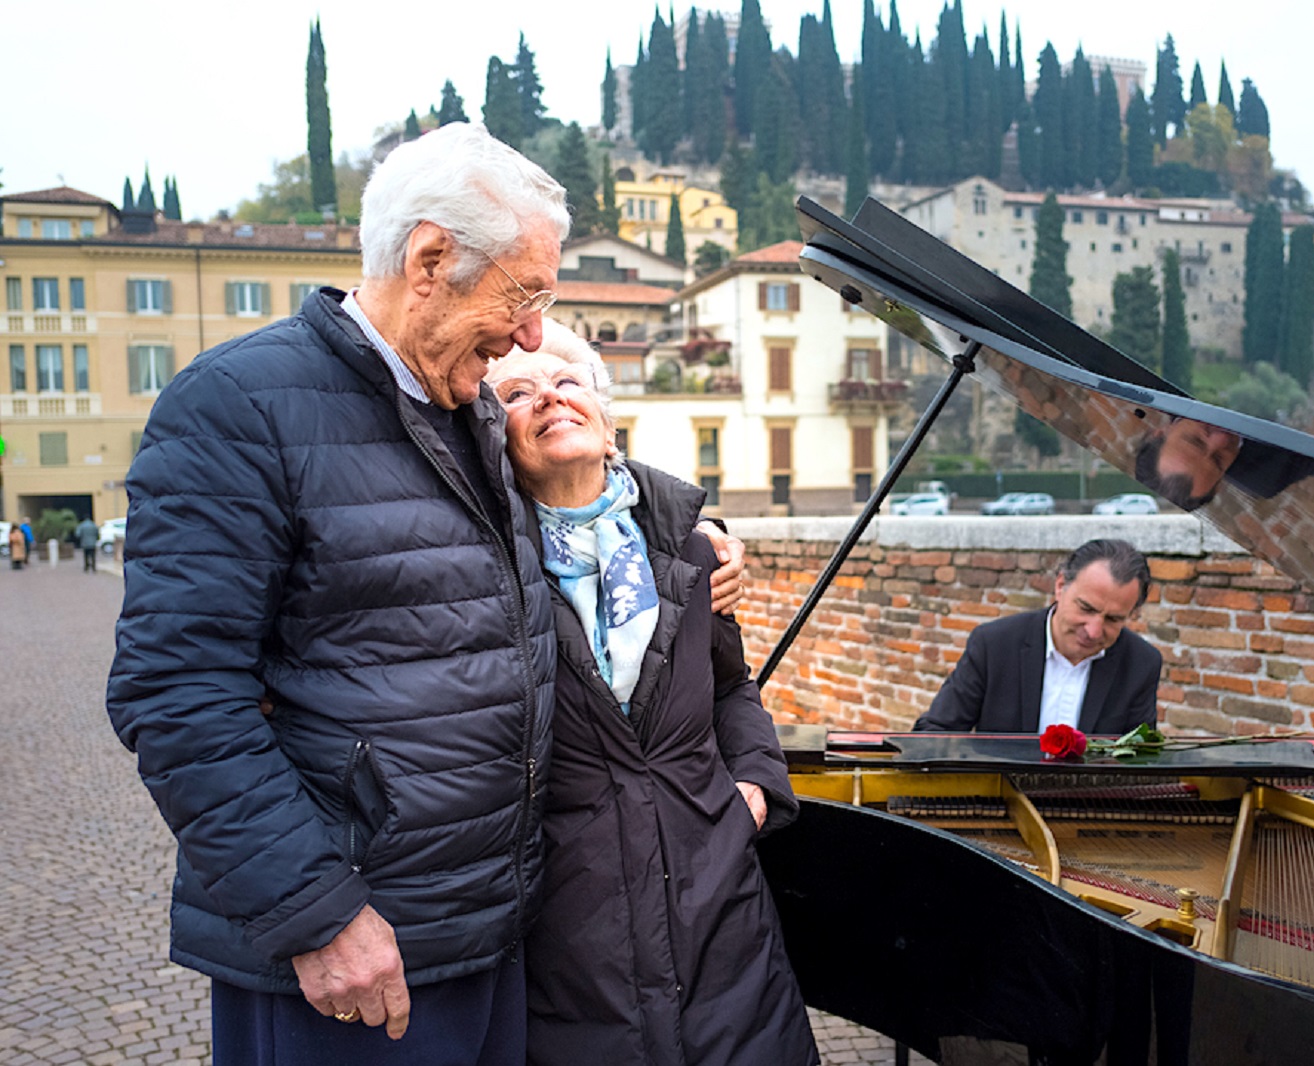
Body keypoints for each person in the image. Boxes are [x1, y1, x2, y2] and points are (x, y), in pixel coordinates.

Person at [107, 123, 572, 1066]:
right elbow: (176, 691)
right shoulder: (236, 405)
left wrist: (695, 535)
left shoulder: (472, 407)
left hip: (485, 934)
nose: (532, 335)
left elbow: (578, 508)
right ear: (430, 259)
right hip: (355, 958)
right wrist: (317, 914)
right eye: (524, 296)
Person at [485, 323, 818, 1066]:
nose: (548, 396)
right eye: (516, 392)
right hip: (572, 909)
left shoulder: (693, 553)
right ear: (496, 440)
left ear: (609, 428)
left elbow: (732, 687)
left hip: (716, 891)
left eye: (567, 383)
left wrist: (758, 780)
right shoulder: (484, 571)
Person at [913, 539, 1162, 735]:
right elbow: (935, 732)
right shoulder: (994, 645)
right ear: (1061, 585)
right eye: (1086, 608)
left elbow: (1141, 759)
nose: (1094, 631)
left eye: (1114, 619)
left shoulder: (1142, 663)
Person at [1133, 418, 1242, 512]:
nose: (1221, 438)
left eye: (1196, 441)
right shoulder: (1257, 474)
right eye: (1218, 459)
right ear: (1219, 484)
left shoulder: (1168, 395)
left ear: (1161, 433)